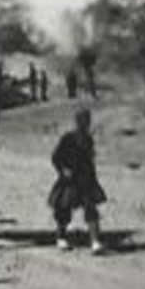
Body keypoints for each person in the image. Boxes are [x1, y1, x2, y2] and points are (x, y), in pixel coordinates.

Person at [48, 107, 107, 254]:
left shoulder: (88, 139)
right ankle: (61, 238)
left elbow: (89, 160)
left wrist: (92, 177)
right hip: (69, 181)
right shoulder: (68, 138)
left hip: (85, 180)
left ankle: (95, 241)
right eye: (83, 121)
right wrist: (63, 170)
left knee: (91, 209)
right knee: (64, 209)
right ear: (77, 122)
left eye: (87, 121)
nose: (85, 124)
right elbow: (56, 157)